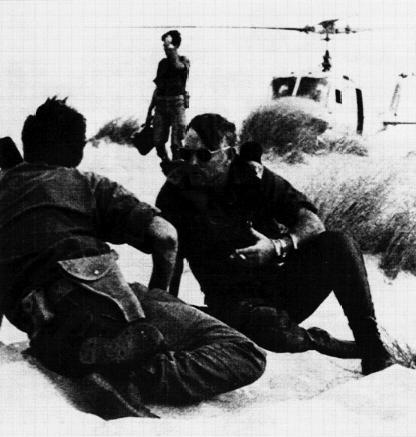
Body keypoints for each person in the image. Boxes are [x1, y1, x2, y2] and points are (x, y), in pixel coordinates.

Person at [0, 99, 266, 405]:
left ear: (28, 144)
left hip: (42, 321)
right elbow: (166, 237)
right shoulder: (86, 184)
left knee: (82, 328)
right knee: (244, 353)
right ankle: (142, 374)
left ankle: (88, 352)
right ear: (78, 150)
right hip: (103, 297)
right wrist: (158, 293)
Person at [156, 113, 393, 376]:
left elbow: (312, 222)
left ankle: (372, 347)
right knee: (264, 327)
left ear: (230, 155)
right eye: (186, 153)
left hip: (277, 288)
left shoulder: (255, 178)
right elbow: (169, 259)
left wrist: (277, 246)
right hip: (230, 303)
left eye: (203, 155)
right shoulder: (175, 194)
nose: (192, 163)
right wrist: (165, 312)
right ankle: (317, 341)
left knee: (338, 244)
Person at [146, 30, 190, 164]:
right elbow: (158, 88)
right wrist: (149, 110)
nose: (165, 49)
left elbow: (177, 67)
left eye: (168, 46)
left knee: (177, 143)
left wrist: (171, 50)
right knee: (158, 142)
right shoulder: (162, 63)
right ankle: (167, 164)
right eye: (164, 46)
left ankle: (177, 166)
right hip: (161, 105)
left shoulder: (183, 60)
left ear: (176, 46)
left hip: (177, 104)